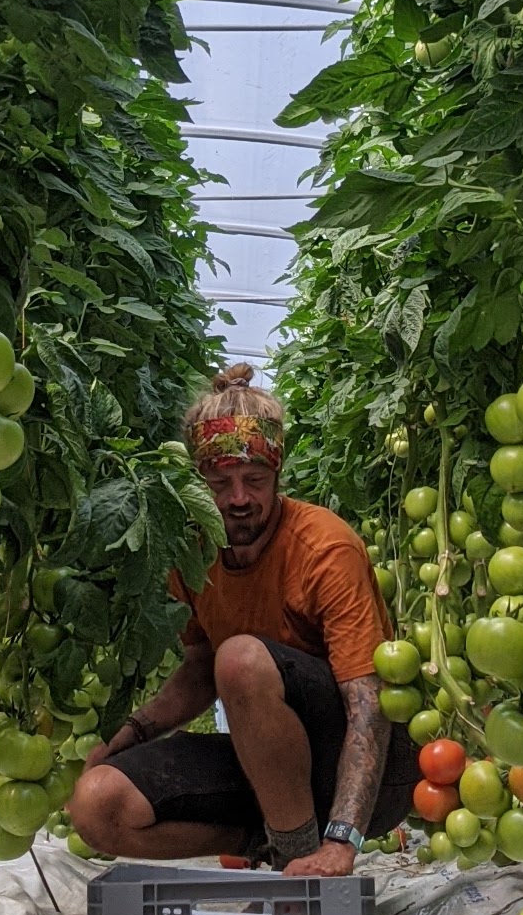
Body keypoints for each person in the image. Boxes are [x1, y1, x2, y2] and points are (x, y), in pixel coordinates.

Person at [66, 365, 417, 876]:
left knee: (242, 658)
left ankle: (299, 858)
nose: (238, 499)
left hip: (372, 775)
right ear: (199, 480)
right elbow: (200, 666)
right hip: (272, 771)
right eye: (219, 482)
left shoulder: (324, 547)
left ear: (277, 475)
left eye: (254, 480)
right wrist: (126, 735)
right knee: (96, 803)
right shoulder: (193, 552)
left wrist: (342, 839)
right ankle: (275, 843)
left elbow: (367, 705)